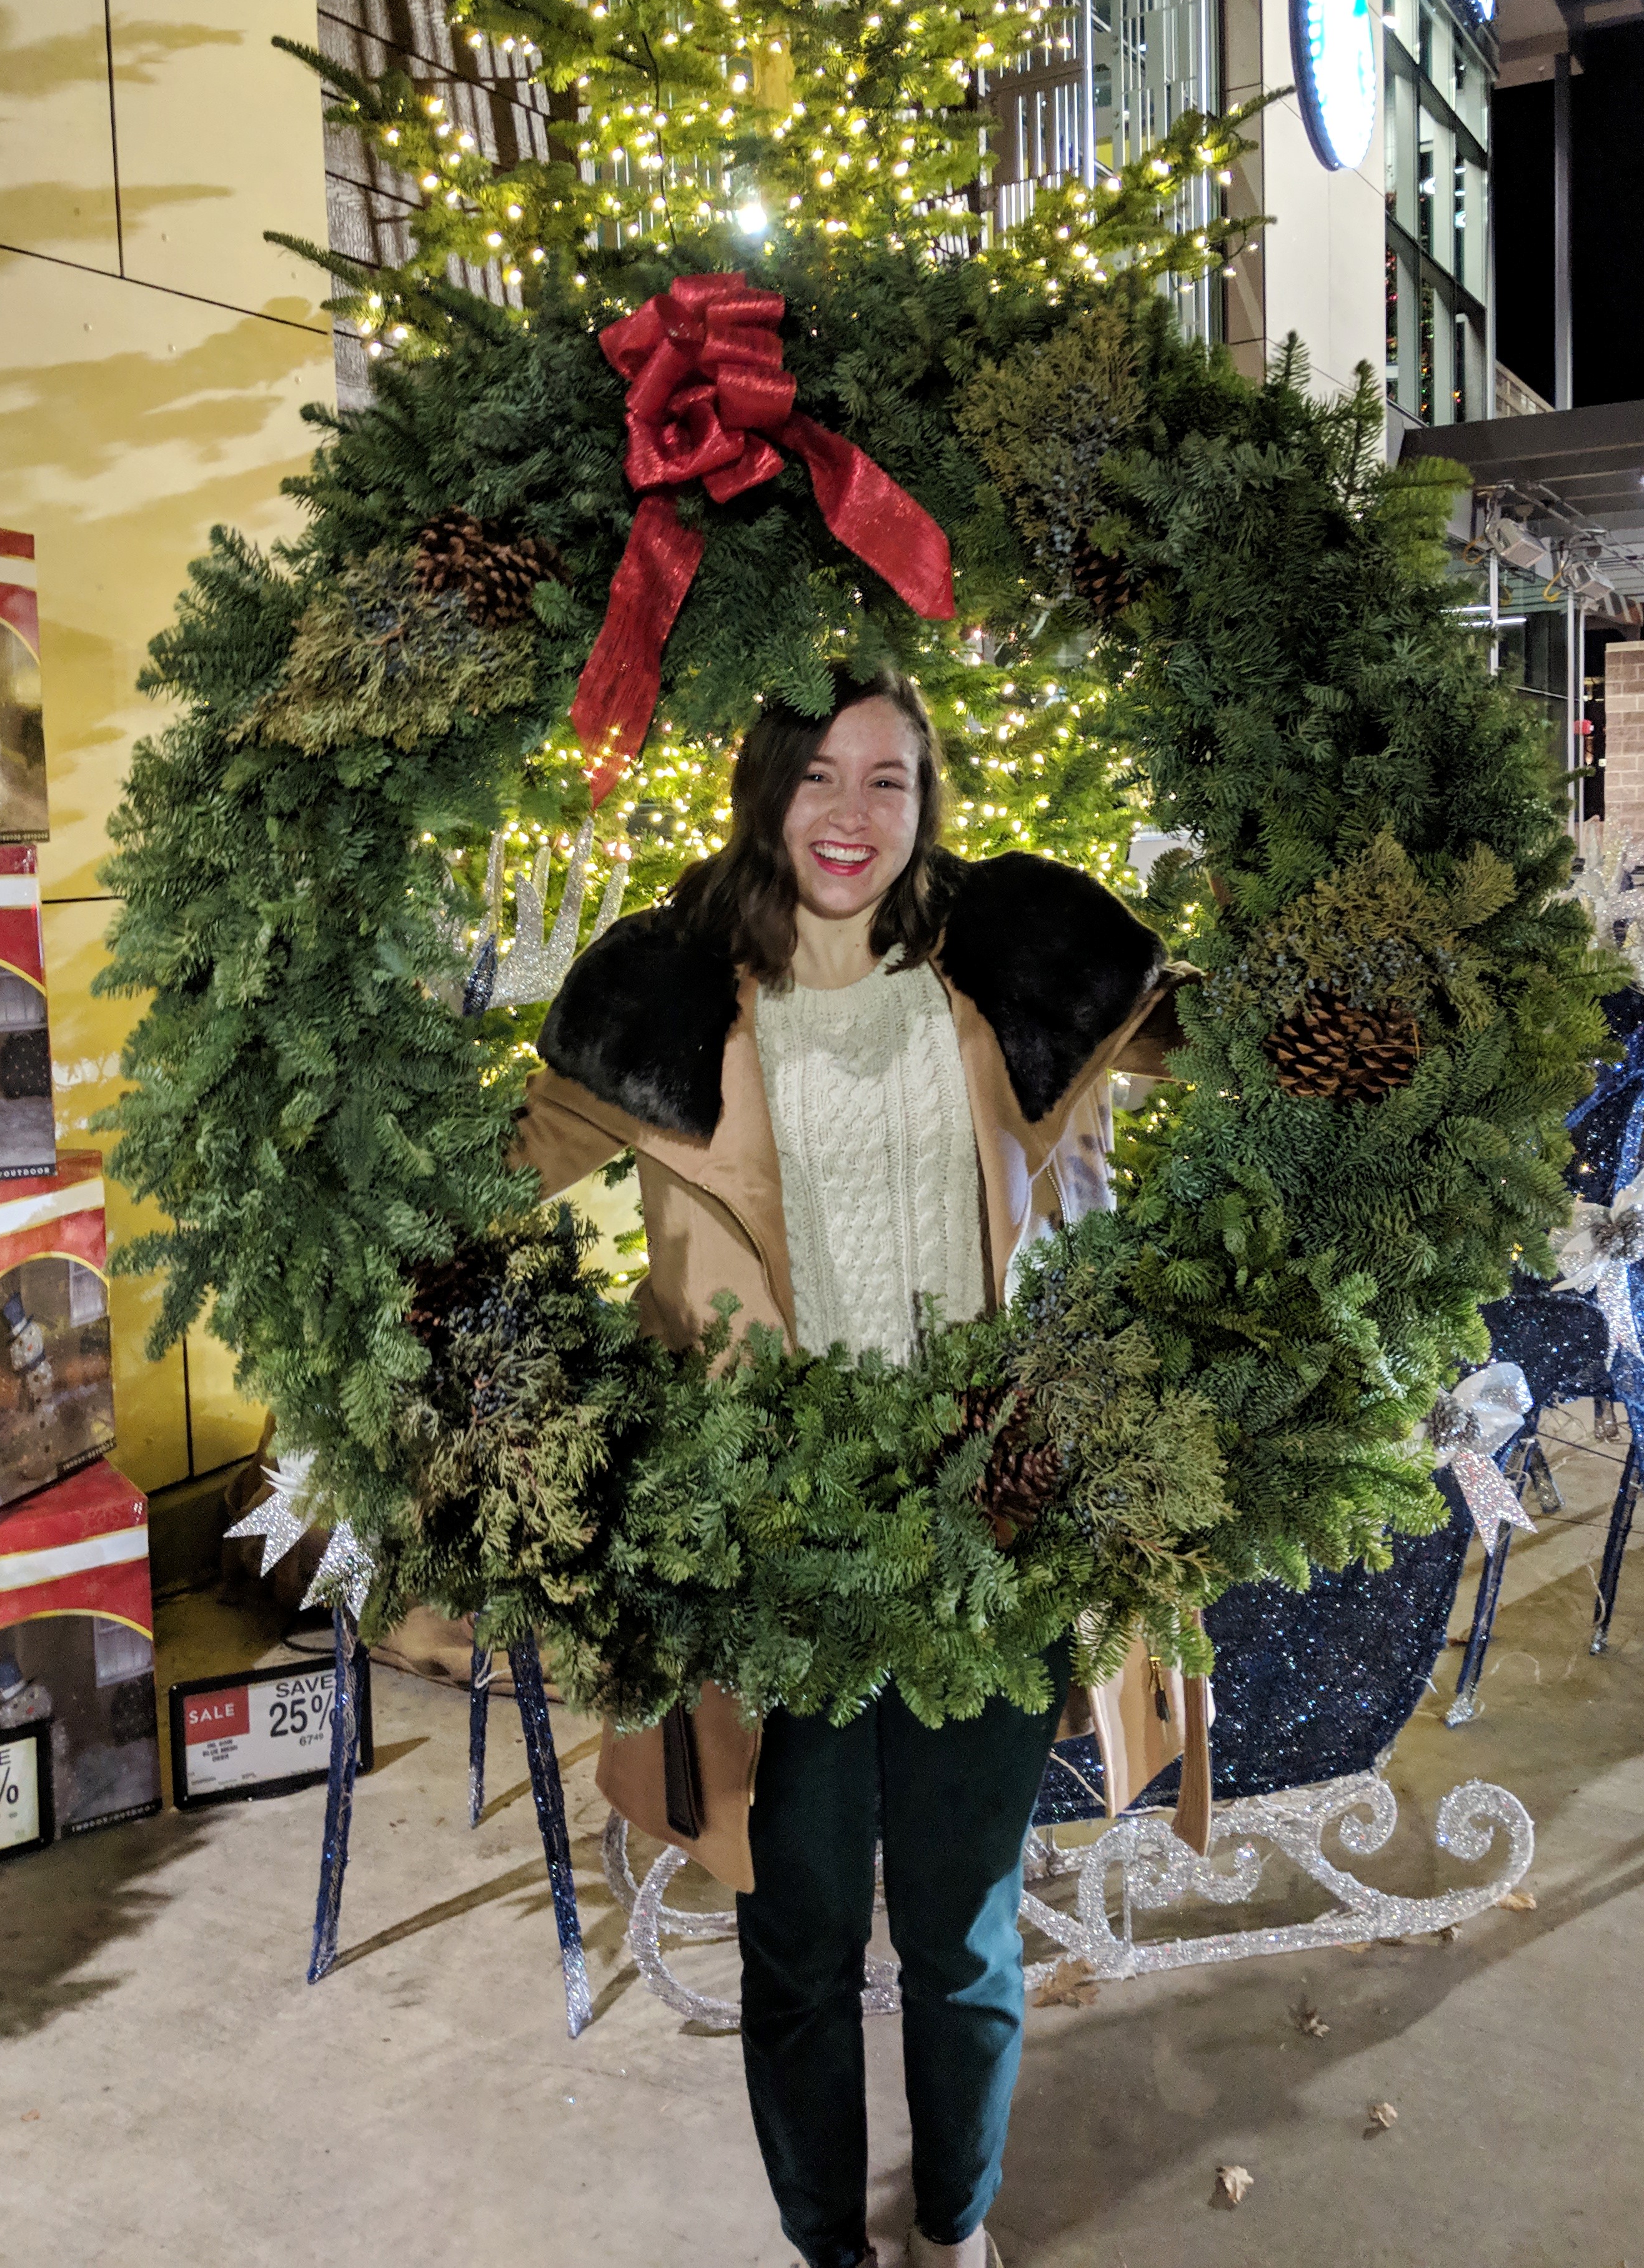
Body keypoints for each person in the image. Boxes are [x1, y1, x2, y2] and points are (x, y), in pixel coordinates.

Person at [514, 666, 1190, 2268]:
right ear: (767, 788)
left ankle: (953, 2228)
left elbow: (1248, 1053)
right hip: (771, 1557)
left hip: (990, 1525)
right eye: (821, 777)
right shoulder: (665, 1002)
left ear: (927, 802)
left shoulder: (1017, 976)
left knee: (960, 1934)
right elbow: (483, 1174)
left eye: (889, 781)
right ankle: (830, 2242)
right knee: (800, 1937)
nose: (852, 816)